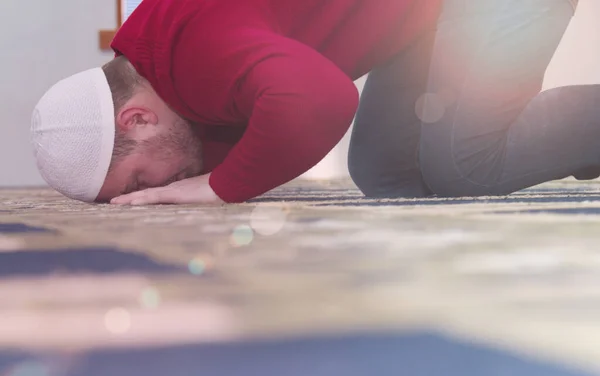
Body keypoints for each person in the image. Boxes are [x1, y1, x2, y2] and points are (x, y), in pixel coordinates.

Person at [31, 0, 588, 206]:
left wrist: (214, 188)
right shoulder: (167, 69)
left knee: (465, 166)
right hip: (426, 22)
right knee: (387, 173)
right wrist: (194, 183)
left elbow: (320, 101)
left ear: (138, 119)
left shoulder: (192, 53)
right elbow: (242, 135)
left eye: (137, 182)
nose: (152, 191)